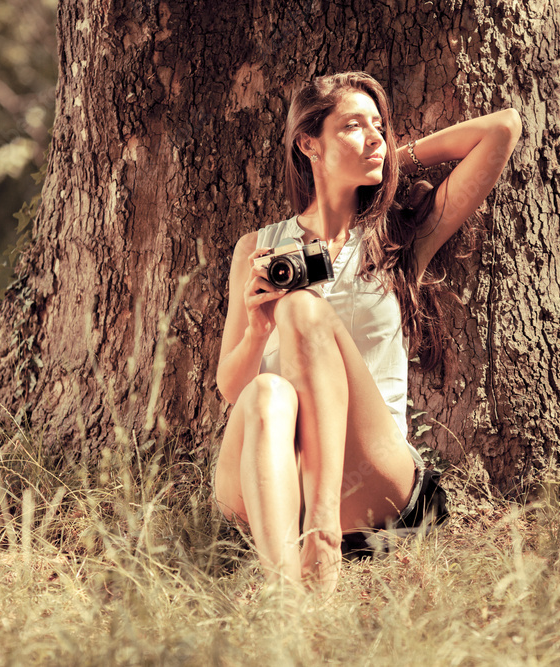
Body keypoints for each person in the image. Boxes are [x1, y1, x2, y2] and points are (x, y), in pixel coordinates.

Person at [212, 71, 521, 593]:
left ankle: (323, 535)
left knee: (303, 312)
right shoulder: (258, 250)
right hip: (268, 478)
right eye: (352, 126)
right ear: (307, 142)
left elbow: (502, 129)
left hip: (371, 477)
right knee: (266, 388)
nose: (374, 135)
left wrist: (388, 159)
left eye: (379, 125)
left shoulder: (401, 237)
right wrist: (258, 328)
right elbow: (231, 389)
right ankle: (291, 606)